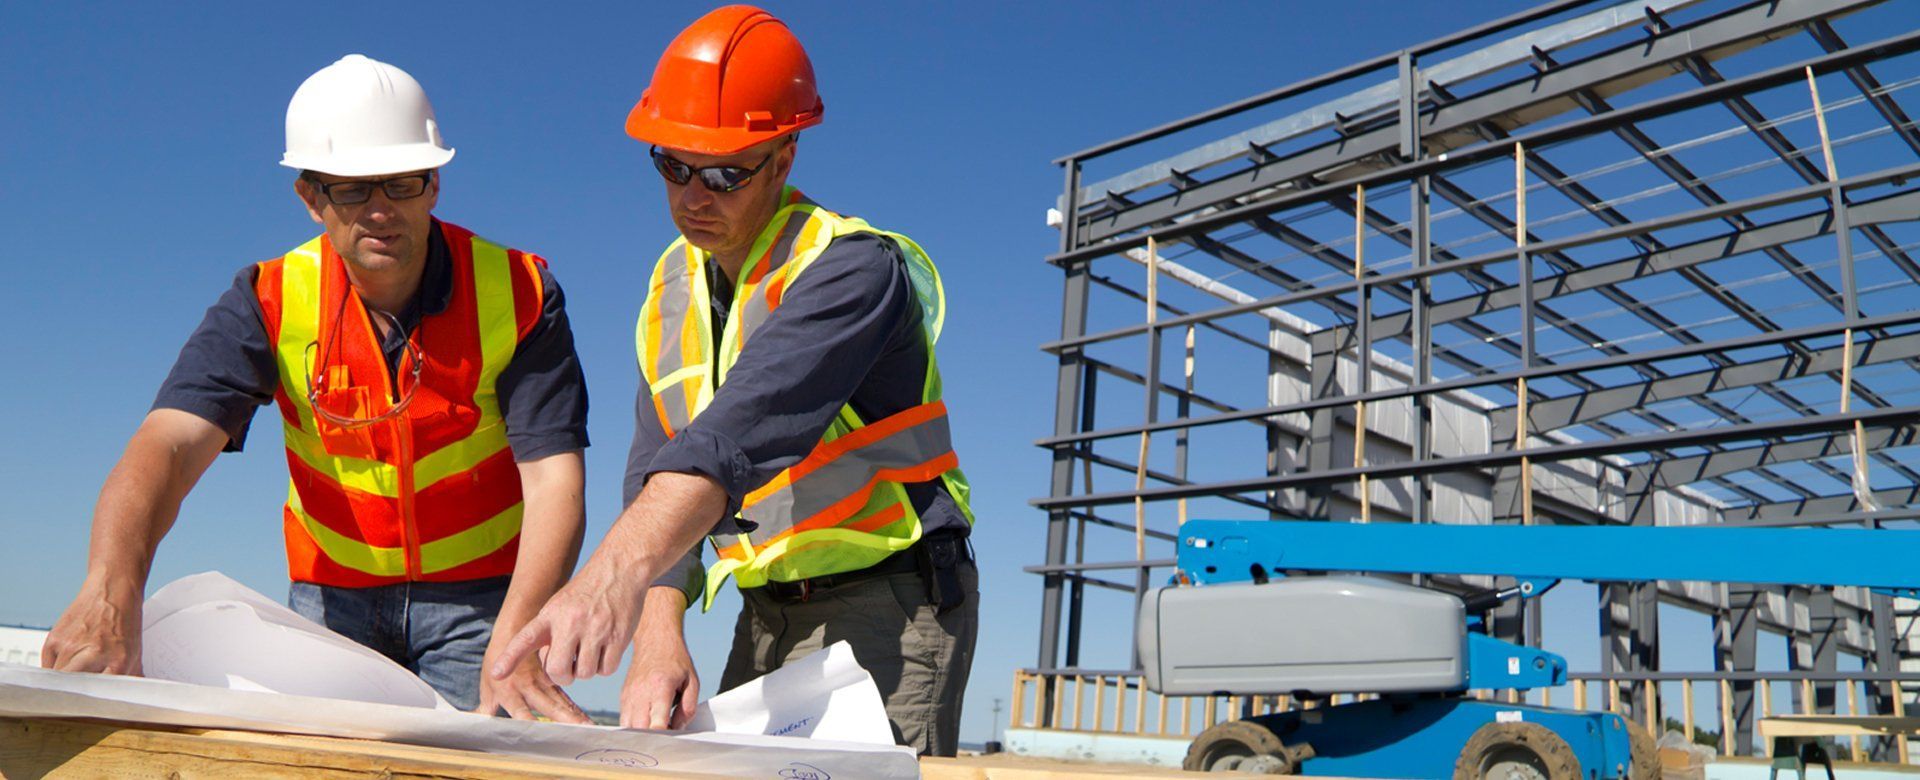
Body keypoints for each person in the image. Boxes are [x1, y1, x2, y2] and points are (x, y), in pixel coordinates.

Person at [41, 54, 592, 723]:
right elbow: (169, 445)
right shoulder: (266, 300)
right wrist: (109, 591)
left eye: (402, 182)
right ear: (311, 198)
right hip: (334, 599)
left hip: (486, 602)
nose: (382, 210)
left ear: (435, 184)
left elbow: (555, 482)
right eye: (354, 189)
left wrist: (521, 632)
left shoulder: (522, 292)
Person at [495, 5, 978, 755]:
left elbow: (728, 440)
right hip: (766, 608)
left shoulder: (851, 270)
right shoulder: (671, 286)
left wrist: (608, 577)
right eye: (674, 165)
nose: (694, 195)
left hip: (892, 598)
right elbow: (658, 464)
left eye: (724, 172)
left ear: (783, 159)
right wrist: (659, 628)